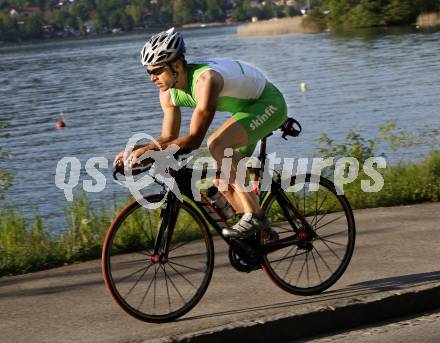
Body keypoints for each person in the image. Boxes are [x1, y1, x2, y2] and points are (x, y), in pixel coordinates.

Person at [114, 28, 288, 238]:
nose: (152, 77)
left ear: (177, 65)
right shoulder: (168, 94)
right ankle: (263, 236)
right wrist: (136, 151)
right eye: (149, 72)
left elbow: (195, 139)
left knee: (216, 144)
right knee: (223, 187)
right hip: (244, 111)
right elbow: (168, 138)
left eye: (158, 70)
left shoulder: (206, 81)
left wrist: (151, 150)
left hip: (268, 104)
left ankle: (256, 216)